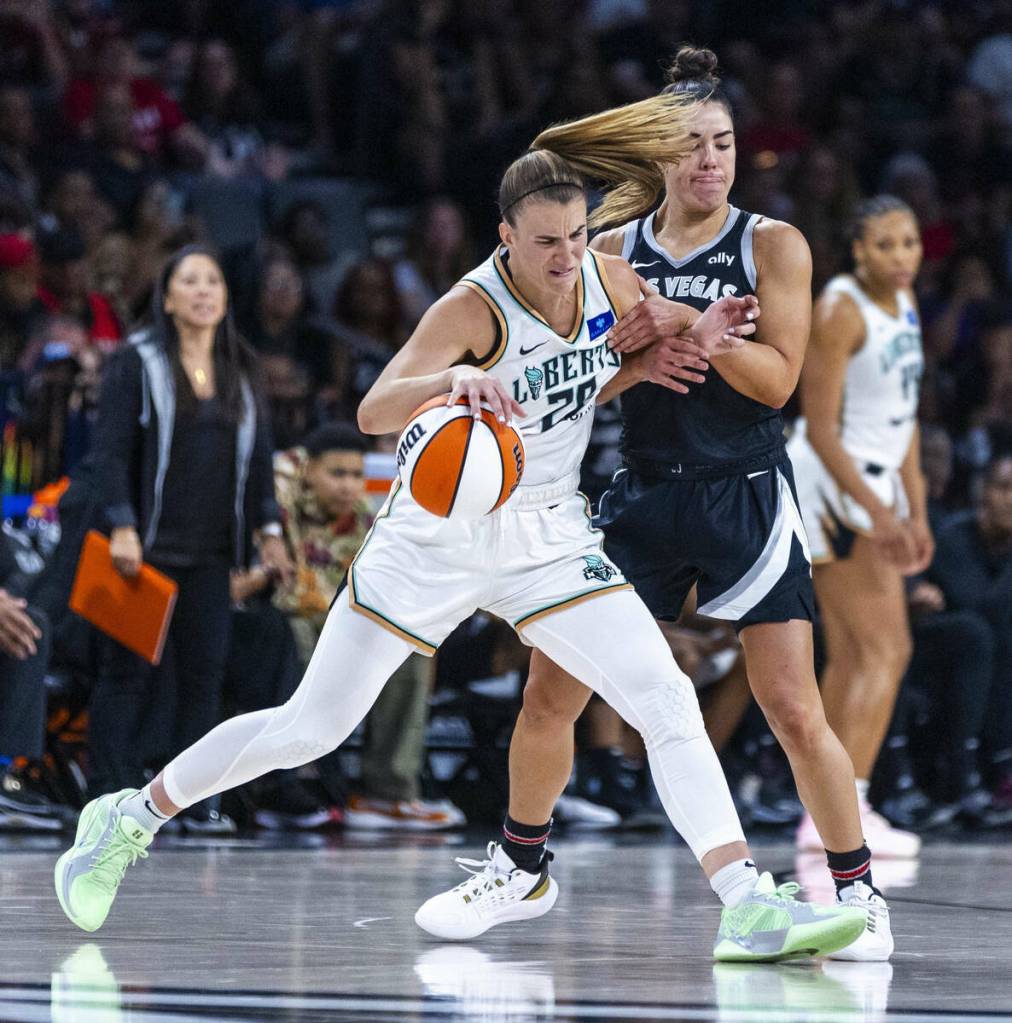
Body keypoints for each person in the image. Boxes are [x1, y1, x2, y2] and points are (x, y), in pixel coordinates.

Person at [52, 90, 865, 963]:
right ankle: (128, 818)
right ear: (506, 236)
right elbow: (373, 408)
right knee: (311, 727)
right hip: (434, 537)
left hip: (547, 531)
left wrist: (683, 341)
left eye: (578, 236)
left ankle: (745, 903)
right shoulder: (471, 305)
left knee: (665, 696)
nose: (565, 257)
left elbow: (596, 375)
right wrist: (452, 386)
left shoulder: (610, 278)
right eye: (545, 241)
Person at [435, 47, 891, 962]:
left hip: (746, 491)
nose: (709, 160)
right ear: (656, 160)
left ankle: (858, 891)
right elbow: (577, 385)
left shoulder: (774, 244)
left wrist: (690, 327)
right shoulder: (607, 250)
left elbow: (777, 384)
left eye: (722, 143)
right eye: (689, 147)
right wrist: (629, 358)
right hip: (641, 490)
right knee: (549, 693)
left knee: (793, 706)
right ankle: (519, 867)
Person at [81, 243, 293, 834]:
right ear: (168, 298)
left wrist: (268, 531)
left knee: (206, 674)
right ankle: (107, 796)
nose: (203, 292)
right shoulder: (137, 361)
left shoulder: (241, 367)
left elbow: (259, 462)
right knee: (127, 674)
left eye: (213, 282)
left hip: (211, 550)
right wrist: (121, 523)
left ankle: (193, 800)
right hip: (143, 548)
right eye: (190, 282)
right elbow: (111, 453)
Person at [788, 195, 930, 859]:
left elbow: (904, 420)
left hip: (876, 483)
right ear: (858, 251)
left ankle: (829, 812)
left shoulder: (905, 303)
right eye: (886, 245)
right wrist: (877, 513)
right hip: (833, 486)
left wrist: (917, 506)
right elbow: (818, 426)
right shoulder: (840, 307)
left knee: (854, 654)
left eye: (909, 242)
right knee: (884, 650)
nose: (902, 256)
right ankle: (850, 806)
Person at [271, 421, 461, 829]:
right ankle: (295, 775)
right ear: (307, 470)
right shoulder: (281, 508)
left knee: (409, 648)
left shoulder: (363, 520)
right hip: (287, 618)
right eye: (336, 473)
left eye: (356, 475)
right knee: (297, 642)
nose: (348, 486)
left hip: (341, 620)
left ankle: (387, 791)